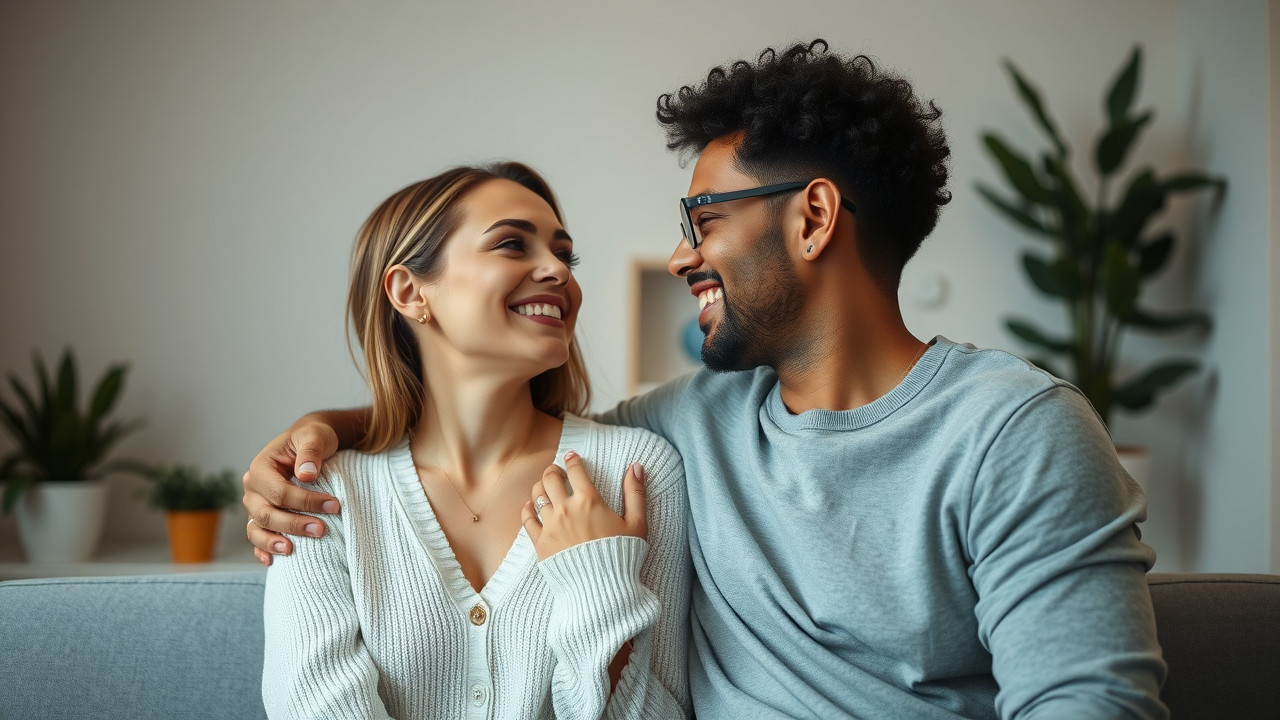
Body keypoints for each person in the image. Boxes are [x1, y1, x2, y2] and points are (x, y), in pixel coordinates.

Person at [245, 41, 1168, 719]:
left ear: (812, 218)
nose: (684, 254)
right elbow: (490, 427)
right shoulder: (679, 432)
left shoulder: (1016, 430)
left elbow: (1090, 708)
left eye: (704, 217)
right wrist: (324, 435)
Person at [258, 162, 691, 720]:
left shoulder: (637, 471)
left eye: (566, 255)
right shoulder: (323, 498)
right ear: (410, 291)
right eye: (512, 244)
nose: (558, 271)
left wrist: (599, 583)